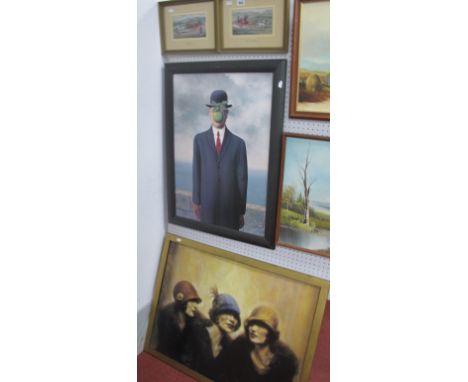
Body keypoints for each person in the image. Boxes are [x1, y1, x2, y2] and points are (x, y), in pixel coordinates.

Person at [192, 90, 248, 230]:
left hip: (231, 211)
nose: (218, 114)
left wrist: (241, 211)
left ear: (227, 114)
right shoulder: (199, 140)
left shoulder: (239, 144)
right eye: (214, 109)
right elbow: (196, 171)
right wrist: (196, 201)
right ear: (209, 112)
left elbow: (242, 180)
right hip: (207, 209)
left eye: (222, 110)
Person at [218, 306, 298, 382]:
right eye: (251, 324)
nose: (253, 328)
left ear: (271, 332)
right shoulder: (238, 349)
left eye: (260, 325)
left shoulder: (284, 363)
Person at [188, 288, 241, 380]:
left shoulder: (229, 346)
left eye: (235, 317)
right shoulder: (196, 333)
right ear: (216, 315)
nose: (232, 320)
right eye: (228, 313)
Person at [150, 280, 207, 366]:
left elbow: (205, 323)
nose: (195, 305)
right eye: (192, 301)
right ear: (181, 299)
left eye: (196, 302)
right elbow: (172, 345)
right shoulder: (168, 313)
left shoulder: (193, 314)